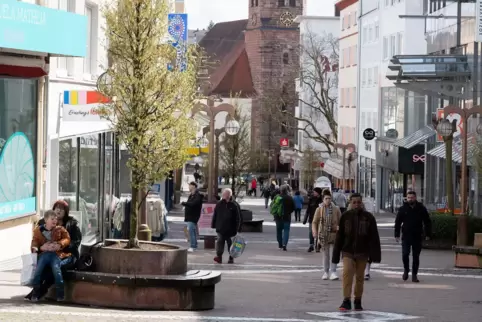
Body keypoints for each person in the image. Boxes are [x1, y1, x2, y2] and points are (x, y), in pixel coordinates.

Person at [332, 193, 381, 311]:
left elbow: (374, 237)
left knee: (360, 277)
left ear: (362, 203)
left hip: (362, 252)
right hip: (347, 251)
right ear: (350, 203)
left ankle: (358, 300)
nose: (356, 204)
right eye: (354, 202)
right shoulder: (345, 217)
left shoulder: (368, 217)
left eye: (359, 202)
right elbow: (340, 237)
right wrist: (336, 255)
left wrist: (375, 255)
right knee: (347, 273)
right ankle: (346, 300)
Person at [25, 200, 82, 301]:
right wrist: (41, 248)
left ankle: (41, 291)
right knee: (42, 265)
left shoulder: (71, 224)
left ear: (66, 212)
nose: (59, 210)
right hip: (47, 254)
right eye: (57, 208)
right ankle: (36, 291)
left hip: (67, 255)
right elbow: (36, 241)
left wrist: (60, 246)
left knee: (55, 266)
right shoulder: (43, 223)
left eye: (62, 208)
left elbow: (75, 243)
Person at [30, 210, 72, 302]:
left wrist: (59, 244)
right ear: (46, 220)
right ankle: (35, 294)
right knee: (38, 272)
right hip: (44, 255)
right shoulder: (38, 230)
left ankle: (60, 295)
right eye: (52, 219)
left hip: (55, 255)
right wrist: (38, 248)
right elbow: (35, 242)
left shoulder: (60, 229)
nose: (54, 221)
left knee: (56, 271)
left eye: (55, 219)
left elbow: (67, 238)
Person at [395, 191, 432, 283]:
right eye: (408, 197)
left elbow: (427, 221)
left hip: (417, 236)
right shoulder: (403, 209)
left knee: (416, 256)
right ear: (406, 198)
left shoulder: (421, 208)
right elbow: (398, 222)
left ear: (415, 198)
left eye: (412, 197)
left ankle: (414, 274)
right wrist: (397, 235)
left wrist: (428, 234)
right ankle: (406, 270)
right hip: (406, 236)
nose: (410, 199)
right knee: (405, 254)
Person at [312, 192, 342, 281]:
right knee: (325, 254)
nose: (328, 200)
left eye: (329, 198)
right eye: (326, 198)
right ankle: (325, 271)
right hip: (323, 234)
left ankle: (333, 271)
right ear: (323, 199)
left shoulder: (336, 209)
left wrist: (339, 229)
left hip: (334, 234)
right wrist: (315, 232)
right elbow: (314, 222)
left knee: (334, 253)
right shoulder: (319, 209)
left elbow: (341, 221)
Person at [211, 188, 242, 264]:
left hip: (231, 230)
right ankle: (219, 257)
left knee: (231, 245)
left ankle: (231, 258)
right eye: (223, 194)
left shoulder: (235, 205)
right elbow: (215, 215)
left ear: (229, 195)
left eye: (225, 194)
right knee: (219, 243)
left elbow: (239, 218)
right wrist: (213, 225)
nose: (223, 195)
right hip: (220, 228)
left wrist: (238, 229)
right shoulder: (219, 204)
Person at [182, 181, 203, 252]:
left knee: (191, 230)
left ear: (193, 186)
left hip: (193, 216)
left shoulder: (197, 195)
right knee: (192, 230)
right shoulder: (191, 195)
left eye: (190, 185)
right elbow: (190, 203)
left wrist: (184, 203)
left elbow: (193, 204)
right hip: (189, 216)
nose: (189, 187)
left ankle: (193, 246)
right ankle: (194, 245)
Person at [275, 185, 295, 251]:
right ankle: (284, 245)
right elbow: (293, 207)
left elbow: (273, 207)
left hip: (278, 217)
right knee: (286, 231)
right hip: (287, 217)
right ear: (287, 190)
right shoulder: (290, 198)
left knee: (279, 231)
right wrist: (289, 212)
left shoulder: (277, 197)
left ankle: (280, 244)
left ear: (280, 190)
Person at [303, 187, 323, 252]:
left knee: (319, 232)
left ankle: (318, 245)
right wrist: (305, 218)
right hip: (312, 218)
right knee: (311, 232)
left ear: (318, 193)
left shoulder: (322, 200)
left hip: (320, 218)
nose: (313, 193)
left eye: (315, 192)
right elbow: (308, 209)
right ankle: (311, 245)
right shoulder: (311, 199)